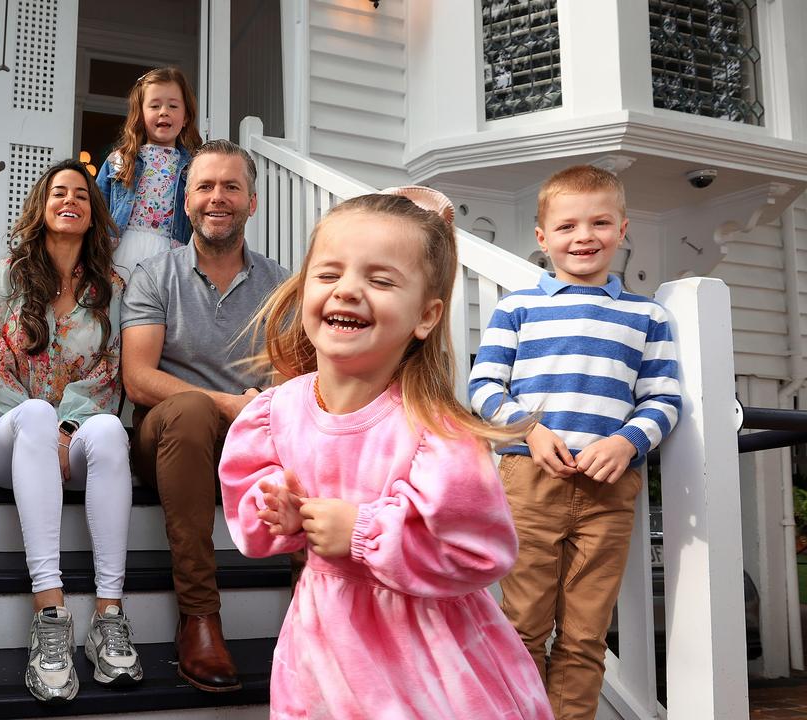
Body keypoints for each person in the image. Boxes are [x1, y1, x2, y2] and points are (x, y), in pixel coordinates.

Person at [218, 188, 554, 720]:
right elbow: (252, 523)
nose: (348, 290)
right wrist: (280, 513)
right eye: (329, 274)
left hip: (427, 663)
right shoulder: (272, 416)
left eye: (379, 280)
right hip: (324, 653)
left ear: (426, 316)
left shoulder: (436, 434)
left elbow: (479, 552)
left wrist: (363, 532)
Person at [468, 165, 681, 720]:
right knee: (523, 627)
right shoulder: (518, 308)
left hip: (608, 490)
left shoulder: (647, 316)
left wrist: (628, 442)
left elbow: (663, 398)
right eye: (566, 226)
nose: (583, 236)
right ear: (542, 238)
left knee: (586, 635)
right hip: (531, 482)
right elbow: (484, 387)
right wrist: (530, 430)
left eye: (600, 222)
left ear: (622, 229)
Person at [120, 139, 288, 692]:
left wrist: (257, 412)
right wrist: (229, 404)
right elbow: (139, 378)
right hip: (170, 439)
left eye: (231, 187)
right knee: (190, 408)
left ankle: (318, 611)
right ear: (185, 200)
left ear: (252, 202)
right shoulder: (152, 274)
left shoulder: (280, 285)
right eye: (205, 186)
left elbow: (295, 374)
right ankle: (199, 617)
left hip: (254, 440)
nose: (218, 197)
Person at [0, 159, 140, 705]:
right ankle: (50, 611)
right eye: (58, 193)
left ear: (93, 214)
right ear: (42, 208)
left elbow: (112, 370)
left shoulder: (110, 288)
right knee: (36, 418)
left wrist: (70, 428)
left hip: (78, 441)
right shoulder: (9, 274)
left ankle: (109, 615)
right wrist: (45, 427)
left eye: (82, 196)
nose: (70, 201)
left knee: (114, 431)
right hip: (11, 439)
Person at [95, 67, 202, 282]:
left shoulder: (194, 167)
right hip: (122, 249)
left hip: (171, 253)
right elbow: (97, 209)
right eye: (155, 106)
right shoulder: (119, 161)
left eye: (173, 106)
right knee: (118, 309)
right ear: (140, 115)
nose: (164, 111)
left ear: (186, 117)